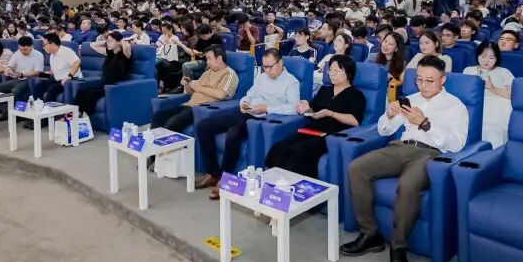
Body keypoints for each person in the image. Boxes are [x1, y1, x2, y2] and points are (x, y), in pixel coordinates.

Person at [341, 56, 469, 262]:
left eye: (429, 81)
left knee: (408, 184)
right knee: (357, 168)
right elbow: (384, 130)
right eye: (419, 80)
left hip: (429, 154)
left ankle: (398, 246)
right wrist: (389, 115)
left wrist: (424, 123)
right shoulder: (411, 99)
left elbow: (457, 144)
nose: (423, 86)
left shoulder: (455, 106)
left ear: (443, 79)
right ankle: (369, 234)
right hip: (400, 148)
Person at [196, 49, 300, 196]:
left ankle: (225, 179)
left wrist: (267, 108)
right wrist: (244, 103)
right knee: (204, 126)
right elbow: (249, 94)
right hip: (246, 112)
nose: (267, 70)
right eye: (264, 66)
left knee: (233, 134)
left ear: (280, 63)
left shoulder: (291, 82)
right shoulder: (262, 77)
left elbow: (294, 108)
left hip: (260, 119)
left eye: (270, 67)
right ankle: (213, 173)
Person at [264, 54, 364, 178]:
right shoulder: (324, 90)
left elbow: (355, 121)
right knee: (280, 147)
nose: (332, 74)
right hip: (311, 130)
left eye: (337, 71)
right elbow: (312, 109)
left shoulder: (356, 95)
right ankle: (273, 182)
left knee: (300, 152)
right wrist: (306, 107)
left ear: (348, 73)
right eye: (330, 70)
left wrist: (330, 113)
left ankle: (294, 185)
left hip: (330, 135)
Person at [151, 46, 238, 133]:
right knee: (159, 115)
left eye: (209, 58)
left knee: (171, 123)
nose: (207, 62)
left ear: (219, 59)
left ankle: (165, 141)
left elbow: (222, 95)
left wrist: (199, 88)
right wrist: (187, 84)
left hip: (201, 109)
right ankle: (153, 140)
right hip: (188, 105)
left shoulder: (229, 73)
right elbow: (192, 92)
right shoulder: (208, 72)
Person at [463, 41, 513, 147]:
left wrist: (492, 87)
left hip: (498, 108)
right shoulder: (469, 70)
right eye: (483, 56)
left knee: (492, 126)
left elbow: (513, 95)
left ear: (497, 58)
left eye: (491, 58)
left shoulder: (504, 72)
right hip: (474, 105)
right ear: (477, 55)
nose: (486, 61)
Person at [74, 32, 132, 117]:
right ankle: (75, 115)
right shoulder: (109, 53)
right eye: (107, 41)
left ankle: (85, 116)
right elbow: (93, 45)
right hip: (105, 82)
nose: (108, 43)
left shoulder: (125, 54)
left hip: (115, 85)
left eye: (111, 41)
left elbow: (126, 46)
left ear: (118, 42)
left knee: (92, 94)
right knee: (81, 91)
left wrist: (121, 41)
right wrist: (107, 42)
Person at [41, 32, 82, 102]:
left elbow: (77, 62)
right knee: (39, 86)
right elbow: (53, 71)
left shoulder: (66, 51)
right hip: (58, 80)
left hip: (70, 80)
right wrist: (42, 74)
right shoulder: (52, 54)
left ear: (52, 44)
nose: (43, 47)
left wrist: (70, 76)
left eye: (44, 45)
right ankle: (37, 106)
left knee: (52, 90)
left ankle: (48, 108)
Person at [371, 31, 406, 103]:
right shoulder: (372, 57)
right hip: (372, 92)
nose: (385, 45)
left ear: (396, 49)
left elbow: (400, 85)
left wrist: (388, 76)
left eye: (390, 44)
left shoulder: (401, 63)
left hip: (389, 96)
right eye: (385, 41)